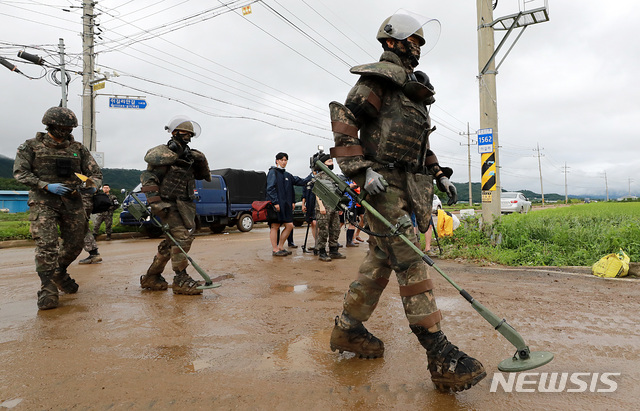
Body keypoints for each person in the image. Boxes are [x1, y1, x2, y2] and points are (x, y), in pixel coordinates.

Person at [327, 10, 484, 392]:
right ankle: (440, 354)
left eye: (420, 42)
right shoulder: (378, 79)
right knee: (411, 260)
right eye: (413, 40)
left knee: (380, 263)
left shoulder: (413, 93)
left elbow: (420, 144)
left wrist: (439, 173)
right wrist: (362, 169)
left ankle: (347, 329)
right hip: (383, 186)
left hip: (407, 184)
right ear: (392, 41)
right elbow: (344, 117)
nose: (418, 47)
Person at [13, 106, 102, 310]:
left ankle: (59, 270)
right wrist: (44, 185)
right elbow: (20, 173)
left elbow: (95, 174)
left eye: (68, 127)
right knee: (46, 245)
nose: (65, 130)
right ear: (50, 125)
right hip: (43, 201)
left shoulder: (79, 149)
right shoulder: (31, 146)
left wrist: (91, 186)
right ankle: (47, 288)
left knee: (75, 244)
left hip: (72, 201)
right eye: (61, 126)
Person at [138, 115, 211, 295]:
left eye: (189, 134)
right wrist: (155, 203)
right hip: (168, 205)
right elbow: (148, 179)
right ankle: (181, 278)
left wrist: (200, 159)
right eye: (182, 133)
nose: (186, 137)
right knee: (182, 240)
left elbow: (203, 175)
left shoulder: (189, 158)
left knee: (171, 243)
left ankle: (151, 277)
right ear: (173, 133)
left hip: (185, 204)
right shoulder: (163, 156)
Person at [266, 152, 308, 257]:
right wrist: (275, 202)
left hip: (286, 206)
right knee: (275, 226)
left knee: (289, 225)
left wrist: (312, 177)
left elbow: (299, 181)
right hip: (276, 205)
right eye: (282, 160)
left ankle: (280, 247)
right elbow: (270, 189)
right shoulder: (272, 172)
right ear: (277, 161)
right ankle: (275, 250)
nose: (284, 162)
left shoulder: (287, 175)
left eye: (285, 160)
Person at [313, 153, 345, 262]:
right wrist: (321, 206)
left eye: (332, 161)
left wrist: (339, 207)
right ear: (323, 164)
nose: (332, 163)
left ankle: (333, 250)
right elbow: (317, 192)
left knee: (335, 229)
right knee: (323, 230)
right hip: (323, 207)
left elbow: (337, 192)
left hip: (334, 207)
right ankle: (322, 252)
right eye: (329, 161)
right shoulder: (319, 176)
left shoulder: (333, 176)